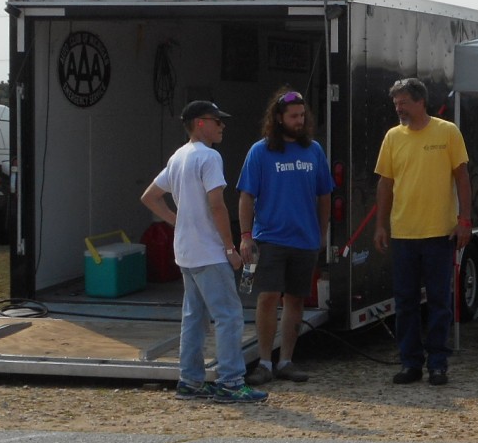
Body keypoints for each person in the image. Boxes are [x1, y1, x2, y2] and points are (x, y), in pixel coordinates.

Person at [141, 101, 267, 404]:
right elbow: (217, 205)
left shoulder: (178, 156)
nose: (222, 126)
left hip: (186, 252)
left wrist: (178, 220)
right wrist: (230, 247)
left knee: (194, 318)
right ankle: (231, 382)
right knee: (229, 316)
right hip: (209, 252)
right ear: (200, 123)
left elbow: (150, 197)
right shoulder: (209, 156)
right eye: (217, 121)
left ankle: (190, 381)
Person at [373, 77, 472, 386]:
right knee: (405, 302)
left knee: (439, 302)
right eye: (396, 103)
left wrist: (465, 220)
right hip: (404, 233)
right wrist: (380, 225)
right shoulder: (393, 137)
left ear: (420, 102)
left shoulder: (447, 132)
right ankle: (410, 363)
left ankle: (438, 364)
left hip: (439, 233)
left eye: (403, 102)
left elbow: (462, 177)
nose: (398, 108)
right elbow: (385, 183)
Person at [236, 88, 335, 386]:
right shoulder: (260, 151)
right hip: (270, 239)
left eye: (302, 115)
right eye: (293, 116)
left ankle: (287, 361)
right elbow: (246, 196)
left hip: (304, 240)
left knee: (295, 300)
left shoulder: (314, 150)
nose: (299, 121)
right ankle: (264, 362)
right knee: (267, 297)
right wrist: (245, 236)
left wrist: (322, 233)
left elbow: (325, 195)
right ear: (278, 118)